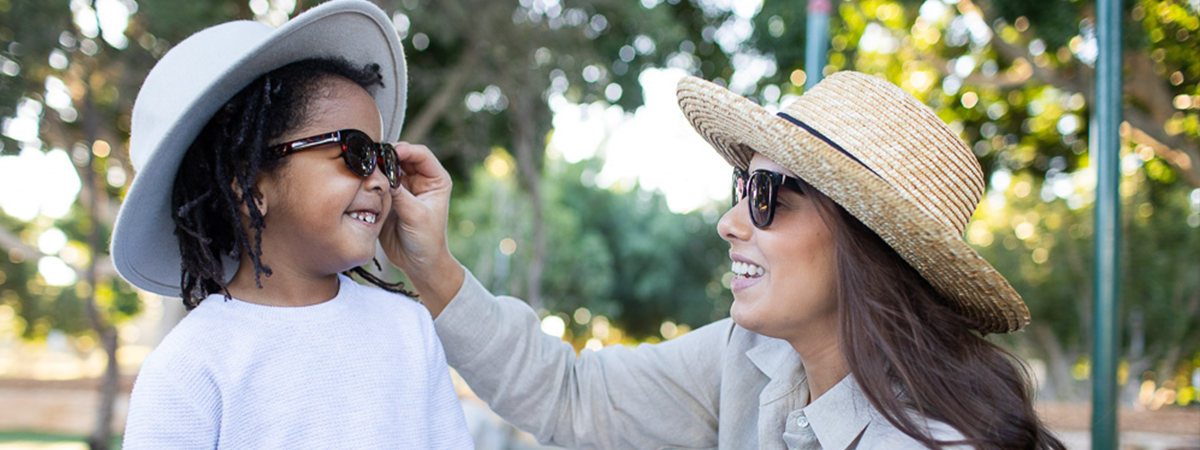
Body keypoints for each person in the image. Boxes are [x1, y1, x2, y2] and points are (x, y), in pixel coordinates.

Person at [384, 72, 1067, 449]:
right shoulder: (749, 359)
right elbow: (574, 397)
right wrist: (431, 265)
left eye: (768, 196)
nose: (730, 221)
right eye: (742, 188)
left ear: (867, 244)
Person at [111, 1, 472, 448]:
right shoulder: (192, 364)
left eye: (384, 159)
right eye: (355, 152)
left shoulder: (409, 329)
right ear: (249, 187)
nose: (380, 180)